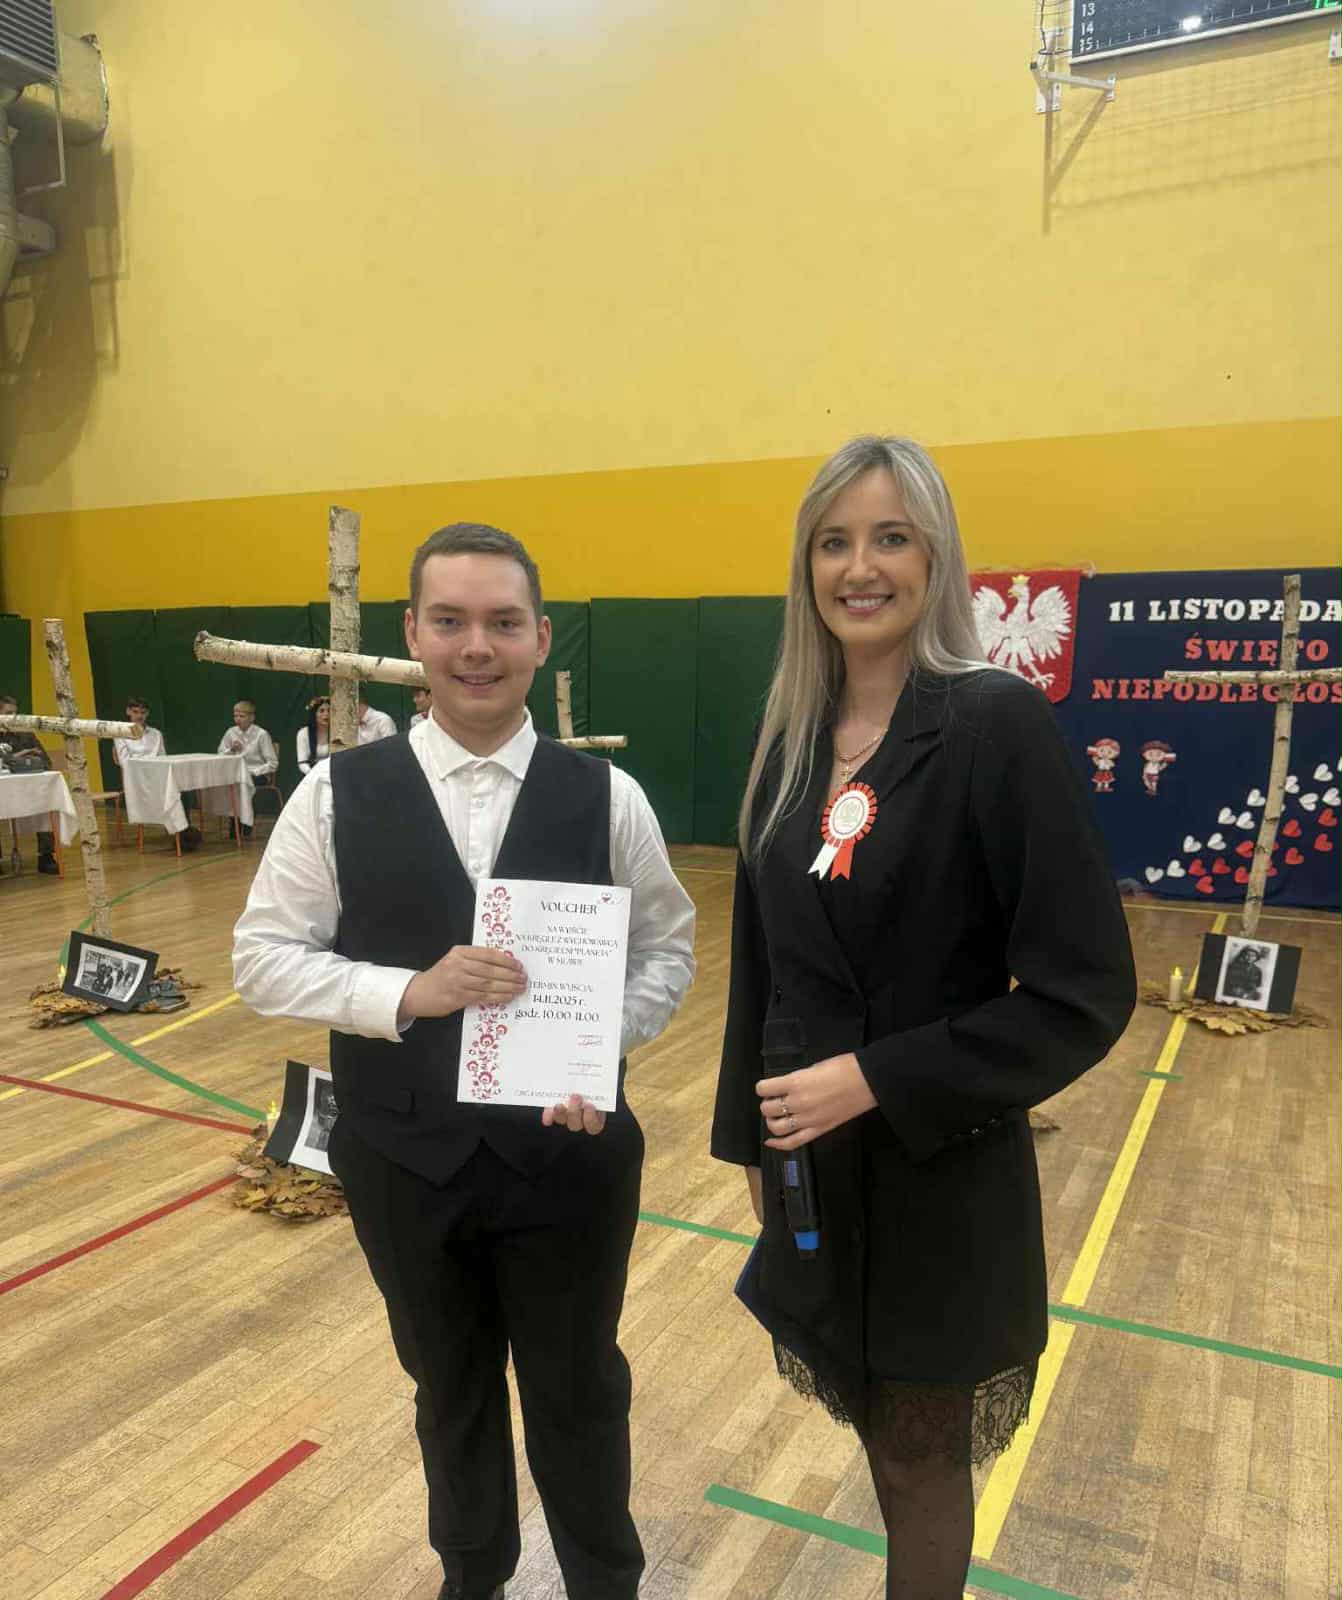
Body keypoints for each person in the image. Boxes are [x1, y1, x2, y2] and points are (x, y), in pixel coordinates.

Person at [233, 522, 696, 1600]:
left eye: (501, 622)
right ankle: (474, 1577)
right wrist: (407, 992)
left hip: (569, 1156)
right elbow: (261, 960)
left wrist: (601, 1048)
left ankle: (605, 1583)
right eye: (450, 621)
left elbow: (667, 951)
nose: (476, 646)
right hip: (402, 1159)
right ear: (413, 633)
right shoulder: (334, 794)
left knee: (579, 1388)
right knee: (447, 1389)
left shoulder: (609, 797)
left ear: (542, 637)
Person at [711, 436, 1135, 1600]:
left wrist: (874, 1079)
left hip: (940, 1172)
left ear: (936, 557)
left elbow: (1085, 991)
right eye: (834, 542)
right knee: (870, 1428)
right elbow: (764, 964)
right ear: (804, 566)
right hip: (811, 1172)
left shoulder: (994, 724)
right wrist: (751, 1142)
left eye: (890, 537)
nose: (860, 567)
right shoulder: (791, 736)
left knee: (918, 1462)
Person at [0, 691, 60, 875]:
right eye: (8, 713)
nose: (13, 717)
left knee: (46, 803)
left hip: (27, 789)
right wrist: (22, 755)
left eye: (15, 713)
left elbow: (46, 761)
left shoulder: (26, 734)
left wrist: (16, 759)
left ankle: (46, 856)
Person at [218, 699, 278, 838]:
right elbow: (220, 754)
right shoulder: (231, 732)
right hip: (236, 773)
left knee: (243, 784)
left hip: (257, 774)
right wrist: (231, 750)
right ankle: (236, 826)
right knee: (233, 784)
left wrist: (254, 772)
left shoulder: (261, 734)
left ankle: (243, 826)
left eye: (242, 716)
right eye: (235, 716)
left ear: (252, 717)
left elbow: (273, 763)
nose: (237, 719)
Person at [112, 697, 166, 765]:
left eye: (143, 712)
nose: (139, 716)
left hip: (157, 770)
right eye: (135, 712)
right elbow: (125, 763)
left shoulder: (157, 734)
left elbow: (163, 759)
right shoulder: (120, 734)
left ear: (147, 713)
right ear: (128, 711)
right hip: (134, 771)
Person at [296, 696, 331, 774]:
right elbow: (302, 763)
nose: (326, 714)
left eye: (329, 710)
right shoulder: (303, 733)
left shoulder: (335, 731)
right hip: (311, 774)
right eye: (321, 711)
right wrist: (314, 775)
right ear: (314, 714)